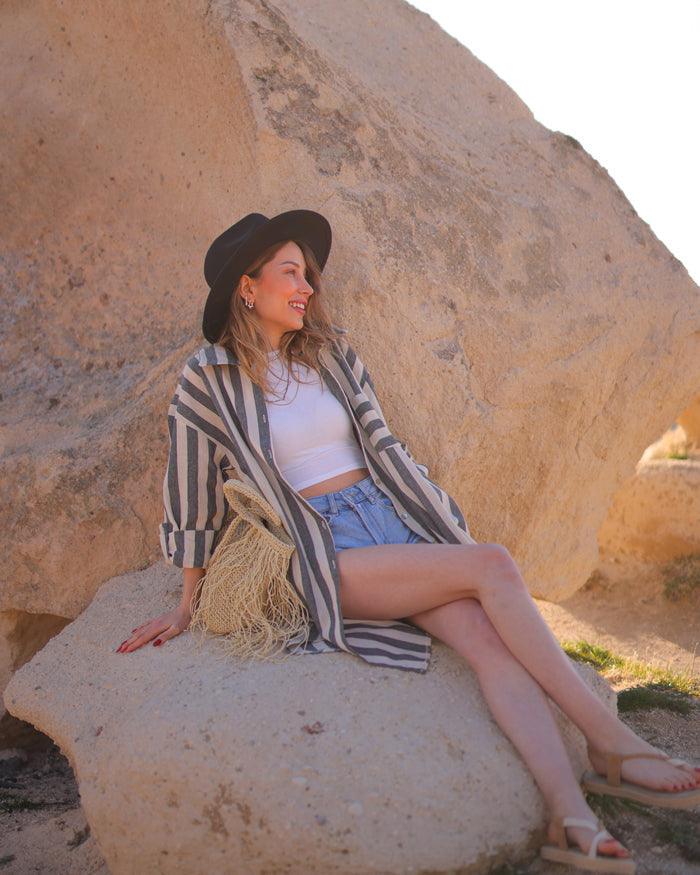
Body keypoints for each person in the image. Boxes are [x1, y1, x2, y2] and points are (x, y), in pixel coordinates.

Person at [117, 210, 699, 873]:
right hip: (320, 547)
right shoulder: (209, 375)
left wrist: (437, 527)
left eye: (308, 274)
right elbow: (188, 482)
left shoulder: (330, 353)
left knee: (485, 639)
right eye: (289, 273)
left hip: (388, 522)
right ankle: (611, 742)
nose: (306, 286)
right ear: (246, 288)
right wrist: (186, 598)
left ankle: (570, 815)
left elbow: (385, 447)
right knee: (492, 564)